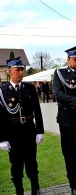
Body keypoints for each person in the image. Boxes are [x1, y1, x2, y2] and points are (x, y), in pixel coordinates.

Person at [0, 56, 44, 195]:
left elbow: (37, 111)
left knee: (32, 163)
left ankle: (35, 189)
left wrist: (40, 131)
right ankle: (19, 191)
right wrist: (2, 139)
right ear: (9, 72)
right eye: (17, 70)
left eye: (22, 70)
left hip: (29, 131)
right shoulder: (2, 91)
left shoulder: (30, 88)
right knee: (16, 166)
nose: (20, 73)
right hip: (12, 134)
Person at [52, 46, 76, 195]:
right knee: (70, 153)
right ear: (68, 60)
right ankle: (72, 183)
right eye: (75, 59)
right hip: (67, 120)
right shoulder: (60, 73)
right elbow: (57, 93)